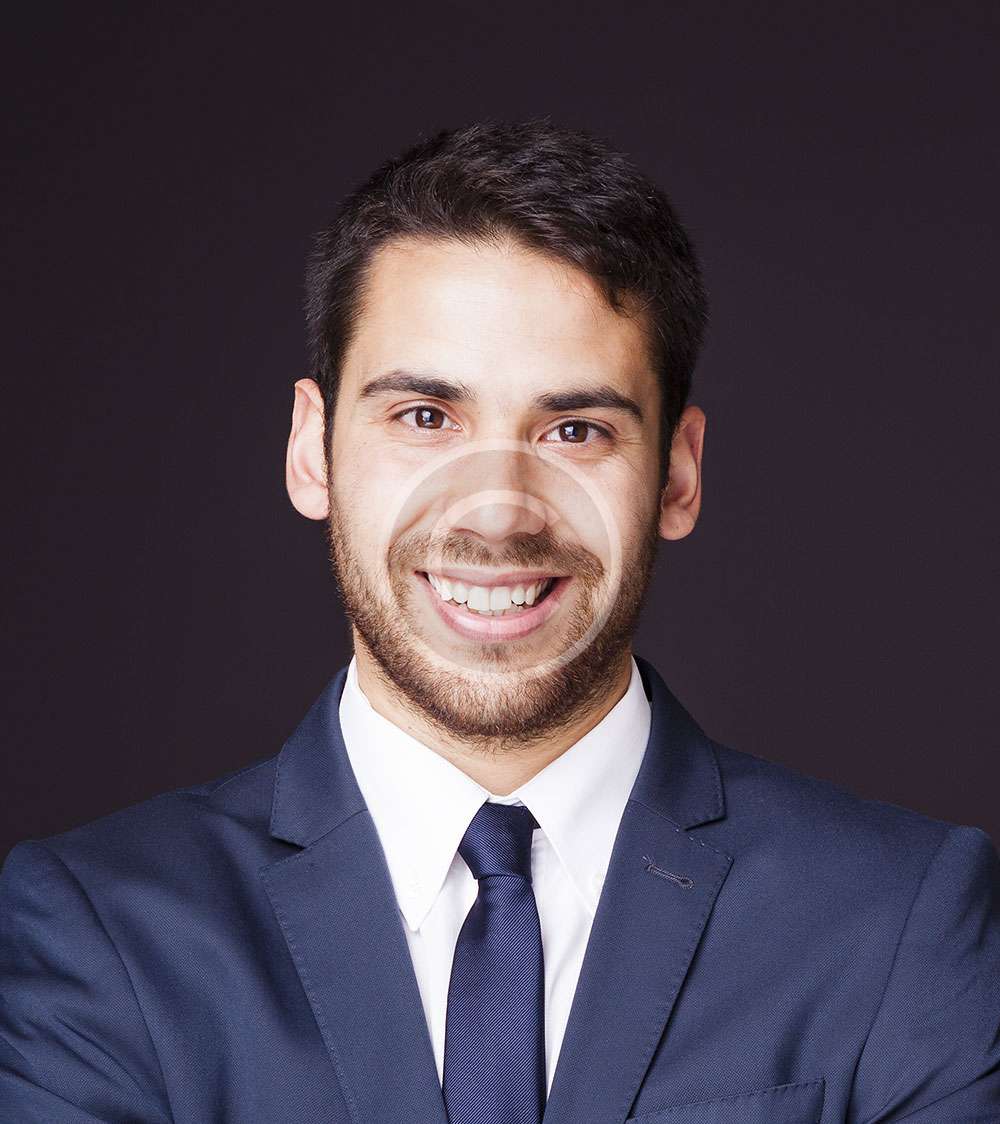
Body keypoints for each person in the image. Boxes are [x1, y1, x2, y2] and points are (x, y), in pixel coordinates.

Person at [1, 118, 997, 1124]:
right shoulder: (99, 933)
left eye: (575, 430)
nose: (498, 511)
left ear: (677, 474)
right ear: (312, 450)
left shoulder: (900, 921)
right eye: (425, 417)